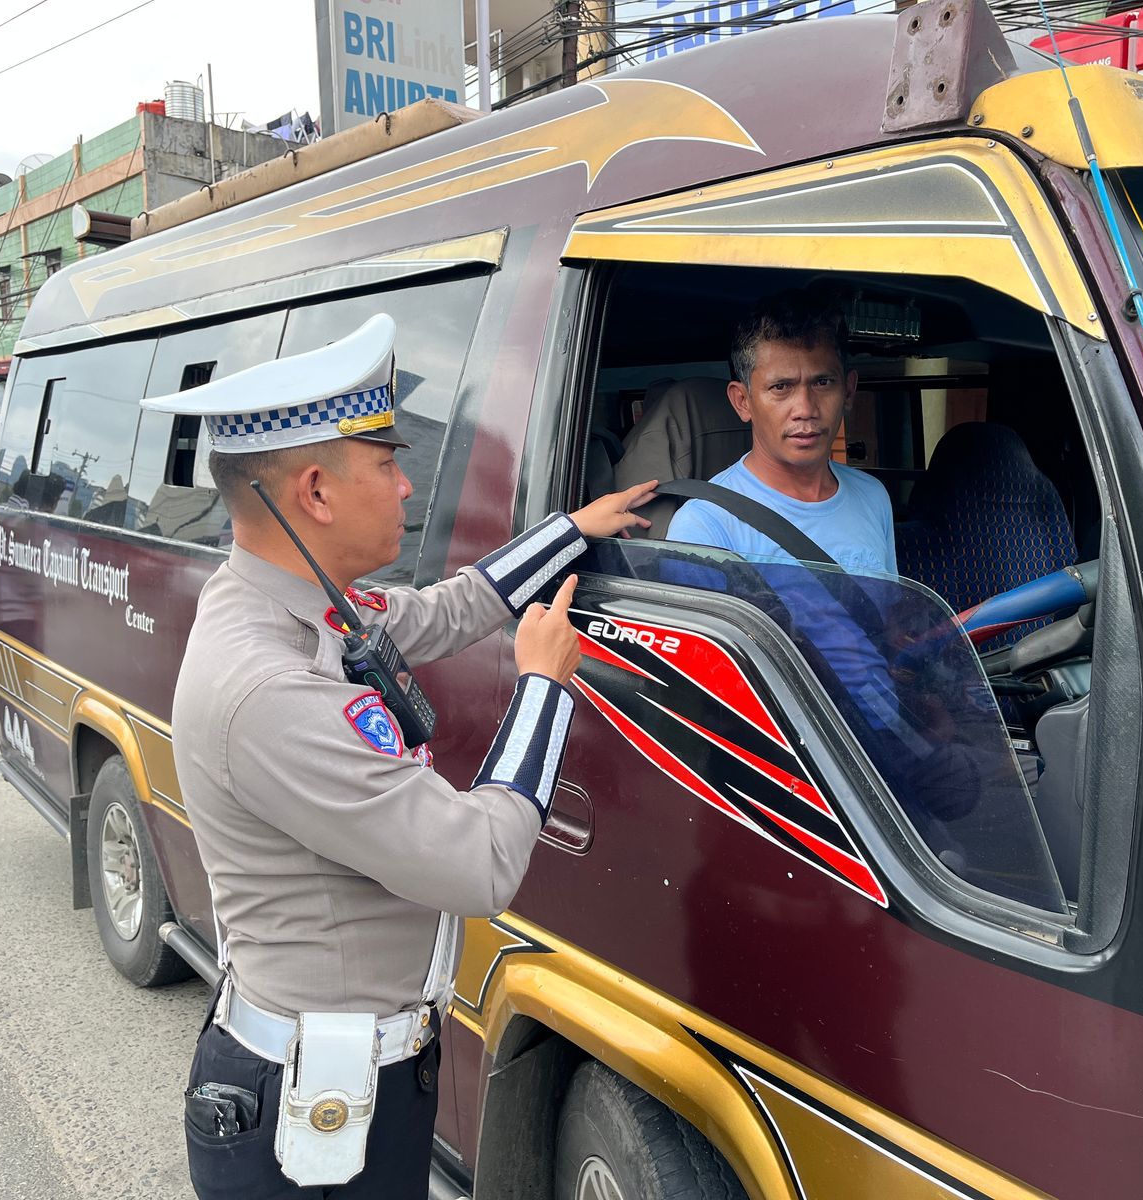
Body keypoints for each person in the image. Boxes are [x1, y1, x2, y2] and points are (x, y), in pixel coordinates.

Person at [142, 312, 656, 1199]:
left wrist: (573, 528)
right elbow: (479, 861)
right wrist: (543, 687)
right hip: (310, 1119)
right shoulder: (268, 685)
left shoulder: (306, 604)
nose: (409, 486)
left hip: (360, 1077)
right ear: (315, 491)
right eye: (386, 464)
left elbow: (448, 609)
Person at [667, 288, 895, 574]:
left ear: (848, 391)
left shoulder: (872, 496)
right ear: (742, 401)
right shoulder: (706, 523)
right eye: (781, 387)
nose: (805, 408)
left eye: (822, 383)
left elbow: (888, 616)